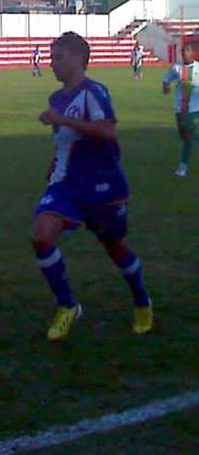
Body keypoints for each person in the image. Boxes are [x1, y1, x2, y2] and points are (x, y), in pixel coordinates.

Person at [31, 32, 153, 341]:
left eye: (58, 57)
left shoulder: (93, 92)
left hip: (100, 184)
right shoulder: (56, 98)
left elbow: (107, 131)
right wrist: (51, 163)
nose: (52, 63)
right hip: (65, 183)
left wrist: (64, 120)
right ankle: (68, 305)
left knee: (115, 247)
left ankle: (142, 302)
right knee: (41, 236)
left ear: (75, 58)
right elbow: (63, 140)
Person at [162, 40, 199, 177]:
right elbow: (166, 79)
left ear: (193, 53)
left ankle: (182, 167)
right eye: (183, 51)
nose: (184, 54)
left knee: (189, 135)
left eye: (187, 51)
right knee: (186, 138)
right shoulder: (176, 68)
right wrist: (166, 88)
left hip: (194, 109)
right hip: (180, 109)